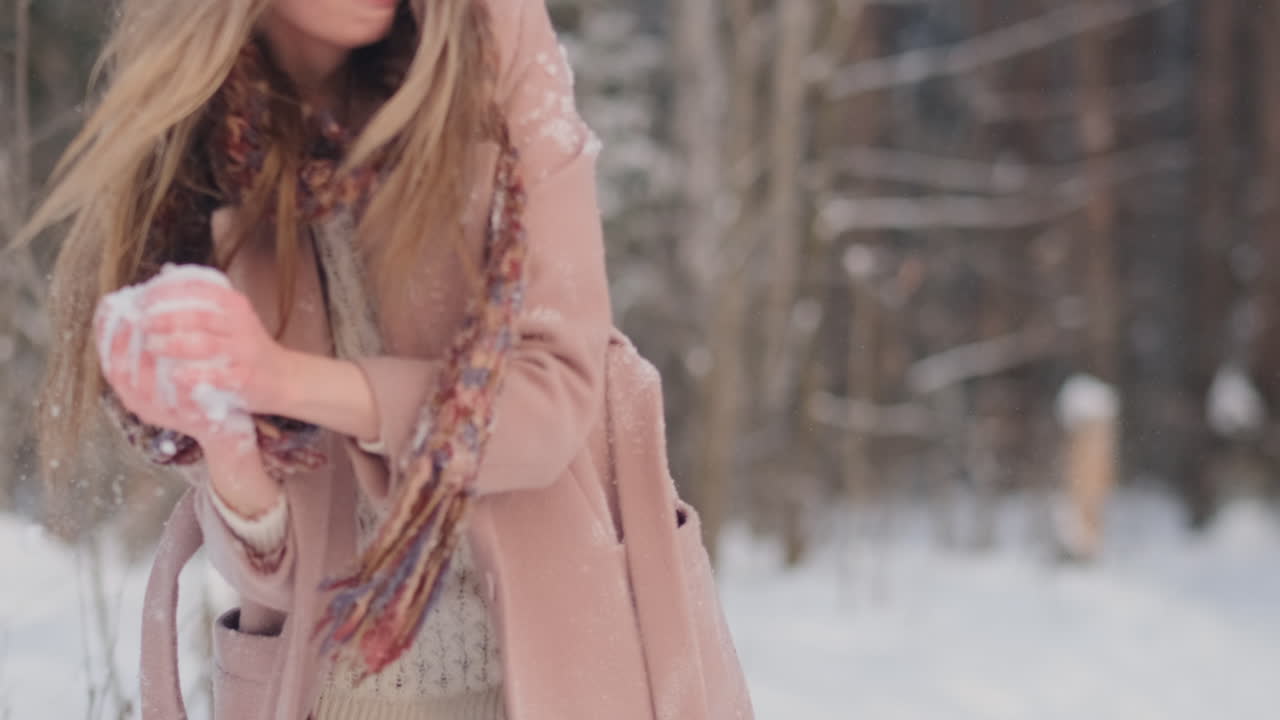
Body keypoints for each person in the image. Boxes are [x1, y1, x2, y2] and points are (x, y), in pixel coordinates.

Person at [18, 1, 753, 718]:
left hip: (573, 663)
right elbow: (271, 577)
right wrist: (223, 441)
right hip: (336, 692)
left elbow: (548, 398)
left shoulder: (493, 35)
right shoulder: (197, 143)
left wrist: (285, 379)